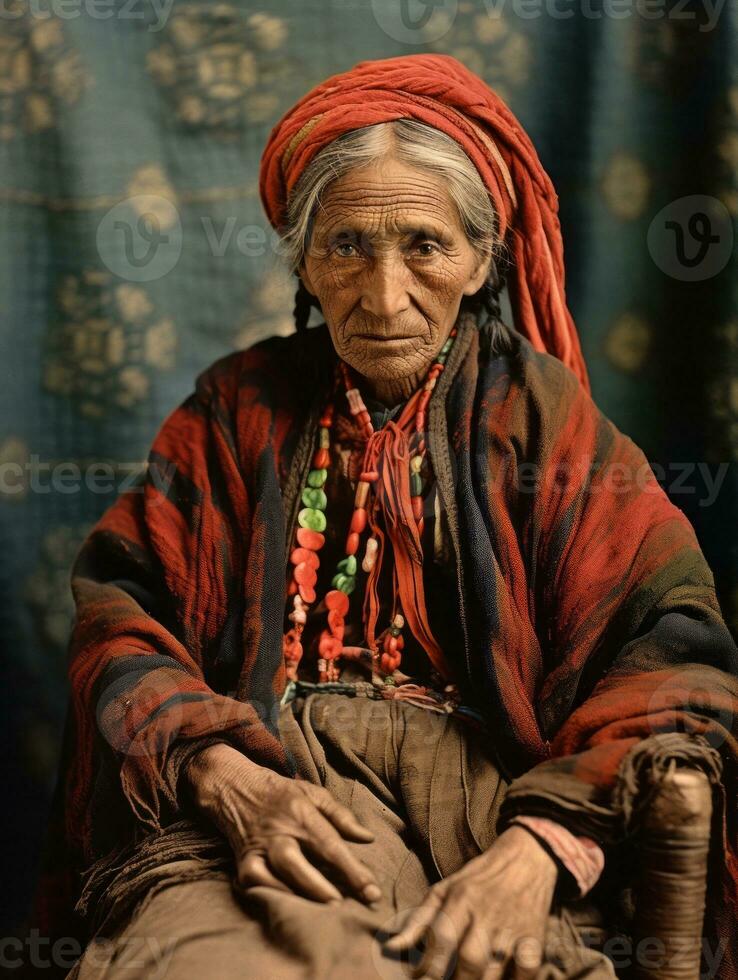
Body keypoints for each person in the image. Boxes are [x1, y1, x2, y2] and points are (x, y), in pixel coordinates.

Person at [43, 54, 738, 979]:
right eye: (345, 247)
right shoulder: (236, 408)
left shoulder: (542, 420)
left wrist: (538, 853)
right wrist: (223, 776)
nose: (382, 295)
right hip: (270, 787)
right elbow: (119, 617)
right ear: (303, 257)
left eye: (423, 244)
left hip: (494, 804)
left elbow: (678, 648)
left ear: (481, 257)